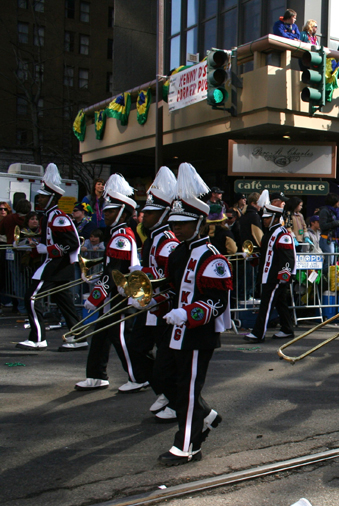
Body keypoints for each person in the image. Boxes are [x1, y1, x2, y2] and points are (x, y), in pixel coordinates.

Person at [146, 162, 231, 466]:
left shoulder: (213, 258)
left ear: (199, 222)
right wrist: (153, 301)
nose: (176, 227)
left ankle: (187, 446)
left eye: (182, 222)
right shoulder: (179, 252)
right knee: (161, 377)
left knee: (187, 390)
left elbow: (217, 302)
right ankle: (206, 416)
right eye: (175, 222)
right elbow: (172, 288)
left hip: (198, 335)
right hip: (176, 331)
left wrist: (188, 314)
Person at [75, 173, 145, 391]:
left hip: (120, 295)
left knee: (121, 337)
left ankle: (139, 377)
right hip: (114, 294)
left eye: (111, 211)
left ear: (123, 213)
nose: (106, 214)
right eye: (105, 210)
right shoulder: (116, 234)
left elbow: (115, 270)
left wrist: (95, 296)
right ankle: (96, 375)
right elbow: (111, 269)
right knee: (101, 335)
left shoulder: (122, 236)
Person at [126, 167, 180, 419]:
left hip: (164, 309)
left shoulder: (167, 240)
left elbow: (170, 280)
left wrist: (147, 292)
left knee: (166, 360)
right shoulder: (152, 238)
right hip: (150, 306)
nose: (142, 216)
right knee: (136, 346)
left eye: (148, 213)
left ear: (161, 215)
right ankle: (164, 391)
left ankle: (173, 398)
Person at [16, 164, 84, 352]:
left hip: (56, 266)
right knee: (65, 303)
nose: (40, 199)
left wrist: (46, 250)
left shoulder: (58, 217)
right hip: (56, 266)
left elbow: (72, 243)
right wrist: (38, 245)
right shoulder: (49, 215)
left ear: (52, 197)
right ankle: (79, 336)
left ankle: (38, 338)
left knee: (31, 297)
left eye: (44, 196)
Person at [244, 190, 296, 342]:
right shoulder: (269, 233)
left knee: (266, 304)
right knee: (280, 303)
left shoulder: (282, 234)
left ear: (274, 218)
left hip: (275, 276)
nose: (264, 220)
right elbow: (267, 253)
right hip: (268, 274)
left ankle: (258, 333)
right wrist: (254, 257)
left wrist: (284, 274)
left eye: (267, 218)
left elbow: (288, 257)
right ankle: (287, 329)